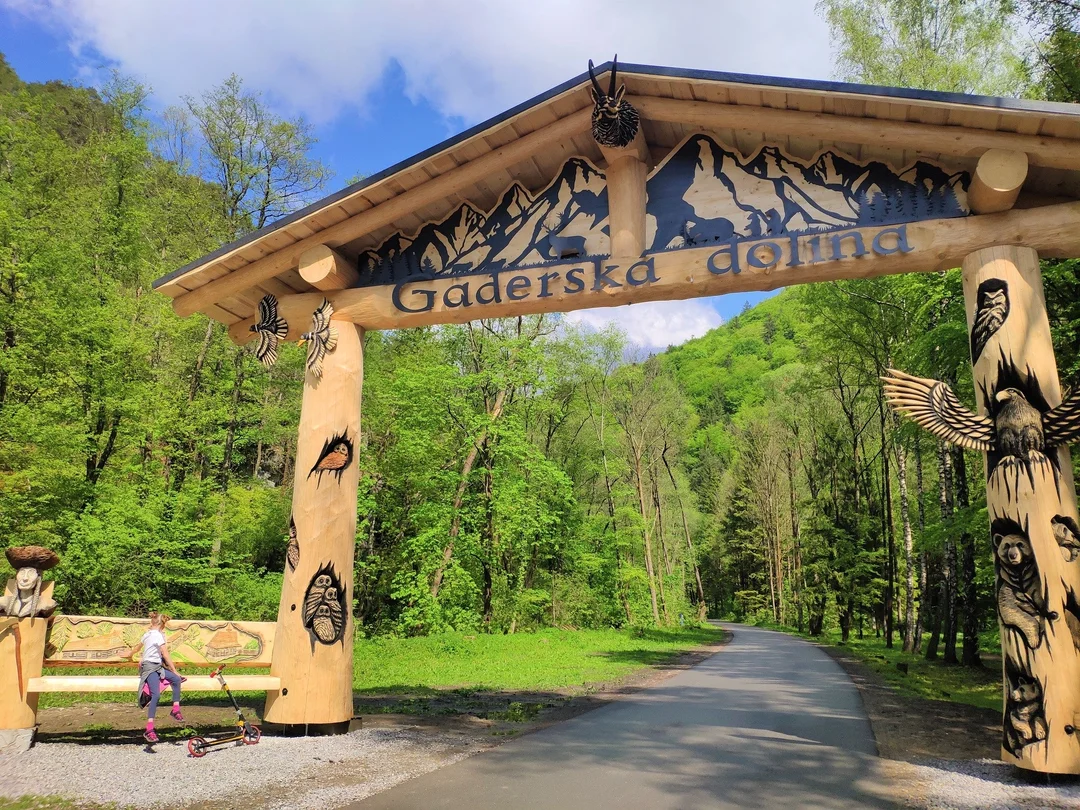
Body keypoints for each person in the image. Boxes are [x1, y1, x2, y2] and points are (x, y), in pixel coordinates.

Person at [135, 611, 184, 743]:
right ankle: (149, 728)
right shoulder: (156, 635)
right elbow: (165, 654)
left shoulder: (149, 634)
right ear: (162, 625)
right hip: (150, 669)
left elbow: (142, 648)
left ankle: (175, 709)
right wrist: (174, 670)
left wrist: (139, 656)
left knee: (176, 680)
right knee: (155, 695)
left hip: (157, 667)